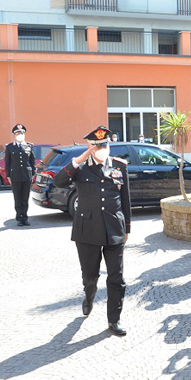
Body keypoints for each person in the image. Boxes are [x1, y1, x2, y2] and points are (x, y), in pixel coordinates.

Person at [54, 126, 132, 337]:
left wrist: (128, 229)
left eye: (105, 144)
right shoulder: (79, 168)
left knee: (117, 277)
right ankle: (89, 296)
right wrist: (81, 158)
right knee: (91, 276)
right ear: (90, 147)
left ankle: (114, 320)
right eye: (97, 146)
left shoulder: (118, 166)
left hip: (114, 229)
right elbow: (58, 181)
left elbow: (125, 200)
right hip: (87, 230)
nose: (102, 148)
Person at [4, 124, 36, 227]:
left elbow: (32, 161)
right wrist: (8, 175)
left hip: (27, 175)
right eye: (17, 133)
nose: (20, 135)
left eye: (21, 133)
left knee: (25, 198)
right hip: (15, 176)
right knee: (17, 198)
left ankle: (25, 218)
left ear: (24, 134)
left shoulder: (29, 146)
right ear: (14, 135)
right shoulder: (9, 147)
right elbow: (7, 163)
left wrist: (33, 173)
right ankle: (19, 218)